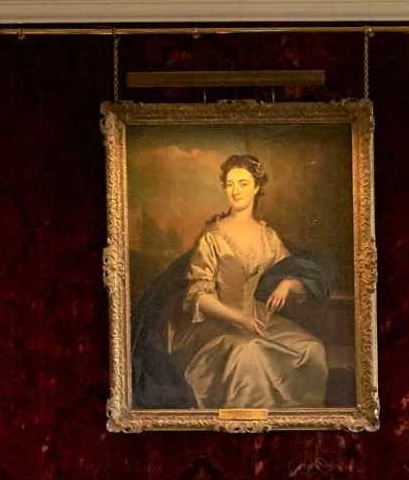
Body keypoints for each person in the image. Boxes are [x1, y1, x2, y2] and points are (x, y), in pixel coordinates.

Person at [138, 153, 335, 411]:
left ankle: (291, 424)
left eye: (243, 183)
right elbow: (198, 295)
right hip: (215, 323)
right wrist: (238, 319)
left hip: (260, 319)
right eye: (230, 184)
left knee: (312, 349)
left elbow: (295, 273)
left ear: (256, 187)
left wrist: (287, 283)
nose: (235, 190)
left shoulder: (269, 237)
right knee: (248, 353)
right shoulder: (212, 237)